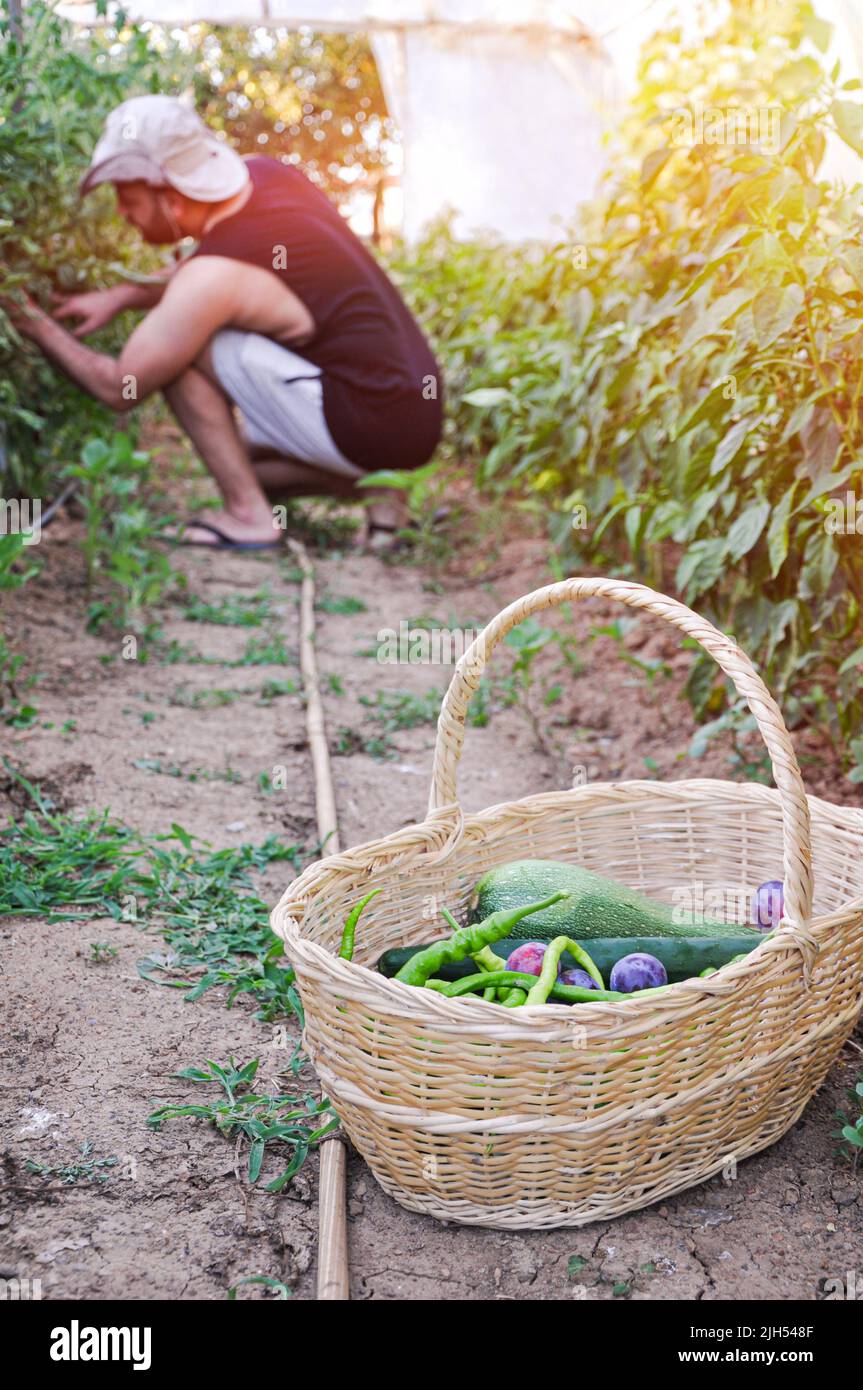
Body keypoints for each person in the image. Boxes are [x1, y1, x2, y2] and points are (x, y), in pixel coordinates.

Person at [8, 95, 443, 550]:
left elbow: (120, 386)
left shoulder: (212, 277)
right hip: (406, 410)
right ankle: (375, 484)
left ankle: (250, 517)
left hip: (366, 417)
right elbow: (219, 265)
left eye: (127, 197)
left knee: (181, 349)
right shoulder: (267, 176)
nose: (121, 212)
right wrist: (119, 297)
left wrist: (29, 318)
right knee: (244, 467)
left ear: (172, 198)